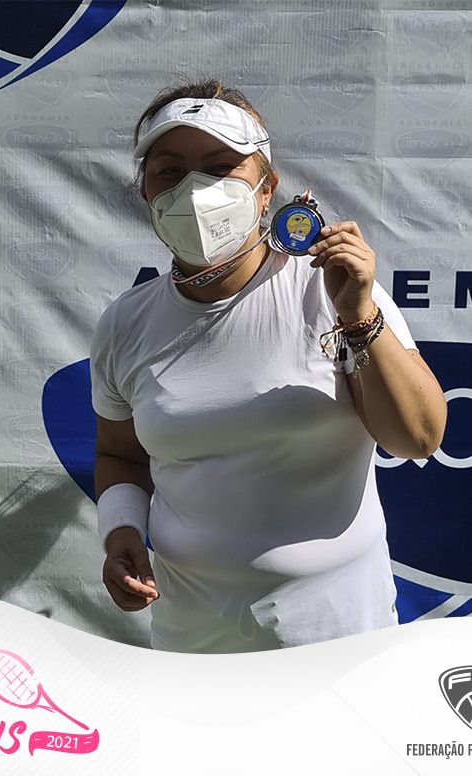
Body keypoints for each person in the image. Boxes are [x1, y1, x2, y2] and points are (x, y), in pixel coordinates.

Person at [89, 78, 447, 653]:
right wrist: (120, 531)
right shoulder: (124, 324)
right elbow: (120, 456)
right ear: (145, 192)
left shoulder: (329, 291)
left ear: (266, 189)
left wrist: (358, 314)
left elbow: (419, 437)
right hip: (191, 641)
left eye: (220, 167)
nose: (194, 189)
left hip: (336, 637)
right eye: (169, 171)